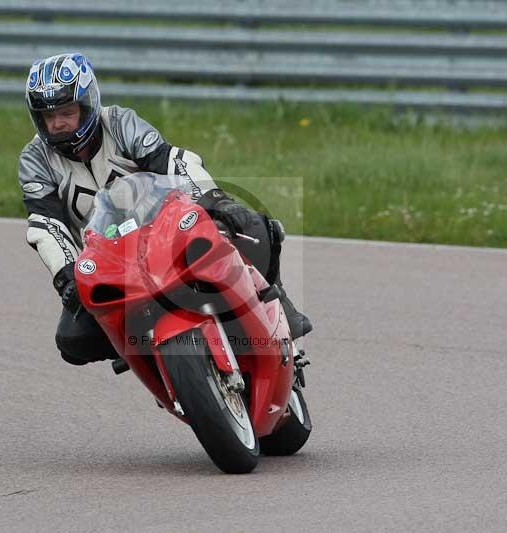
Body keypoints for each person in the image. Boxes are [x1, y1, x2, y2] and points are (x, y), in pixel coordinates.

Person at [18, 52, 312, 366]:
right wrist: (67, 277)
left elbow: (175, 162)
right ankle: (154, 359)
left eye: (66, 112)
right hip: (110, 260)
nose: (58, 124)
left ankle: (278, 304)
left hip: (167, 233)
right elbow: (47, 225)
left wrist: (215, 201)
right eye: (48, 117)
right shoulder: (35, 159)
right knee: (73, 340)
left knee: (249, 227)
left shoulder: (119, 122)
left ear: (87, 105)